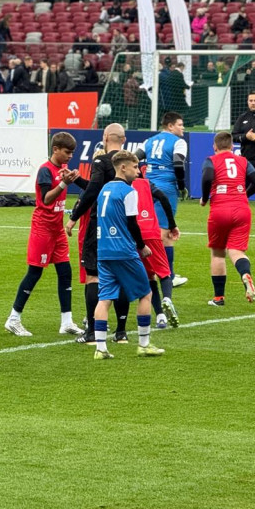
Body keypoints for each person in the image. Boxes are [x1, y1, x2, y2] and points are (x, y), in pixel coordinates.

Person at [4, 132, 87, 337]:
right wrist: (63, 184)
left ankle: (66, 321)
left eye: (72, 153)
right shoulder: (45, 171)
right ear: (55, 149)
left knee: (65, 272)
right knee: (35, 272)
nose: (70, 156)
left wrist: (75, 180)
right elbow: (46, 200)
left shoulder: (62, 170)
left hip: (57, 229)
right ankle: (13, 319)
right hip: (42, 228)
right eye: (67, 152)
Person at [66, 123, 136, 344]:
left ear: (105, 137)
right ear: (123, 140)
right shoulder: (131, 164)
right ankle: (121, 333)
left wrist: (74, 216)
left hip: (100, 224)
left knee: (93, 276)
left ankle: (92, 333)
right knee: (121, 274)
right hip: (124, 224)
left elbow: (93, 189)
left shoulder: (101, 161)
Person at [92, 150, 165, 359]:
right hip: (123, 250)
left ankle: (100, 348)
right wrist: (141, 246)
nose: (138, 172)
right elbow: (132, 223)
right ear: (123, 167)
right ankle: (144, 344)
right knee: (146, 293)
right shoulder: (128, 191)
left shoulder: (104, 189)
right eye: (135, 167)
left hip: (103, 250)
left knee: (105, 298)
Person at [201, 131, 255, 307]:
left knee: (218, 253)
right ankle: (245, 274)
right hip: (242, 209)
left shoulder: (211, 160)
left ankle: (219, 298)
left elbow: (206, 177)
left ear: (215, 146)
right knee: (236, 251)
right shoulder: (242, 160)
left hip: (220, 209)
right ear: (232, 146)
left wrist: (205, 198)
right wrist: (243, 194)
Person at [142, 112, 189, 288]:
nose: (182, 127)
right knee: (165, 233)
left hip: (148, 185)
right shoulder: (179, 142)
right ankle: (169, 274)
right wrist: (182, 185)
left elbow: (134, 157)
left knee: (144, 226)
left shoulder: (150, 140)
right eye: (180, 124)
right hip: (166, 187)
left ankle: (145, 270)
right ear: (170, 126)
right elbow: (178, 164)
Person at [132, 168, 180, 329]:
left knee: (149, 277)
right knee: (164, 272)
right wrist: (172, 224)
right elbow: (164, 198)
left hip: (132, 235)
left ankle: (160, 316)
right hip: (151, 232)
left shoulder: (121, 185)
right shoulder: (146, 184)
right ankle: (167, 298)